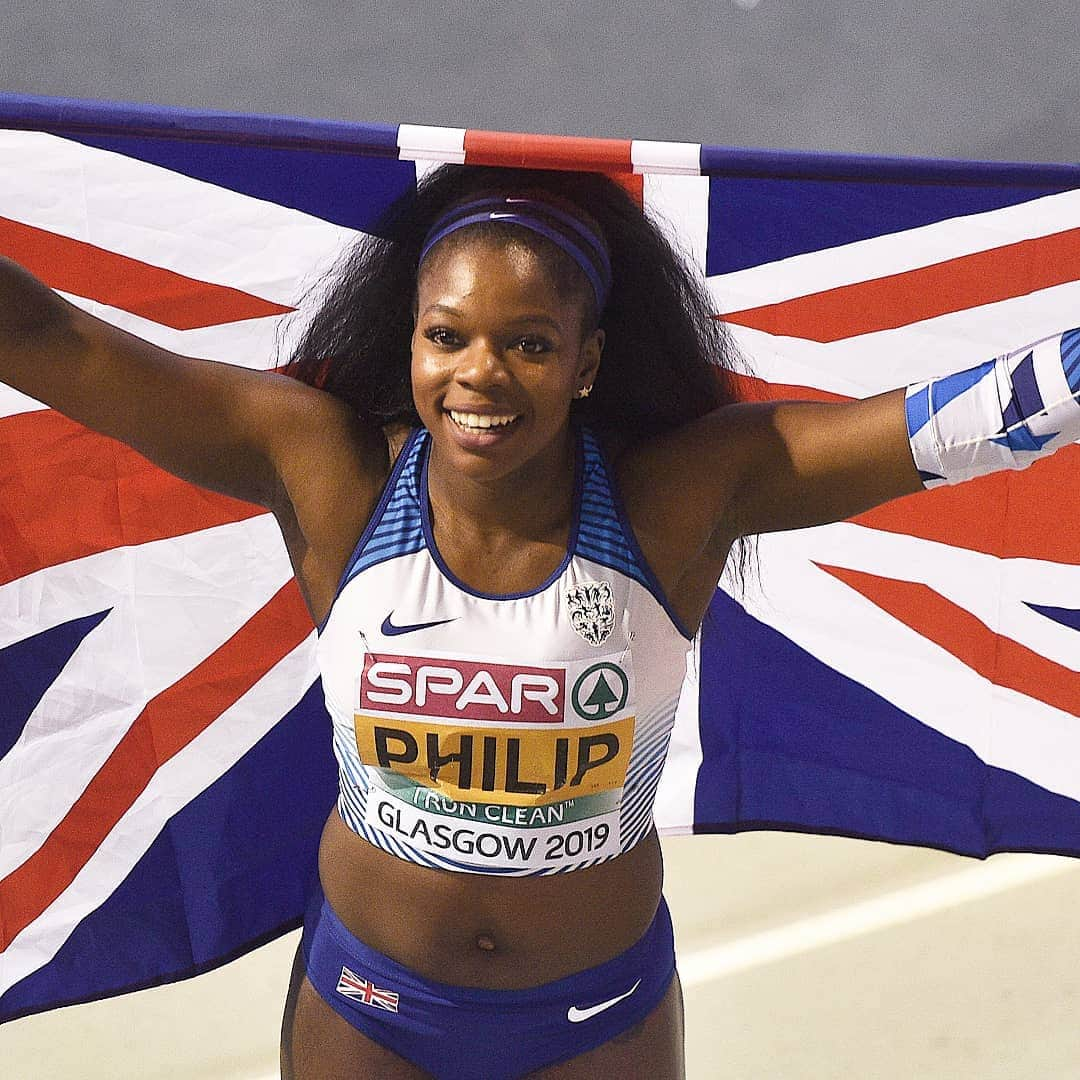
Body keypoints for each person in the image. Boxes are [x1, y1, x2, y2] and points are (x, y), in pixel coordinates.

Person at [2, 162, 1077, 1080]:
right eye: (447, 337)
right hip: (366, 1008)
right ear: (412, 341)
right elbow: (47, 337)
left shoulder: (679, 500)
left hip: (597, 1021)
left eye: (528, 344)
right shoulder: (325, 471)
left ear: (587, 361)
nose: (479, 375)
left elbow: (974, 424)